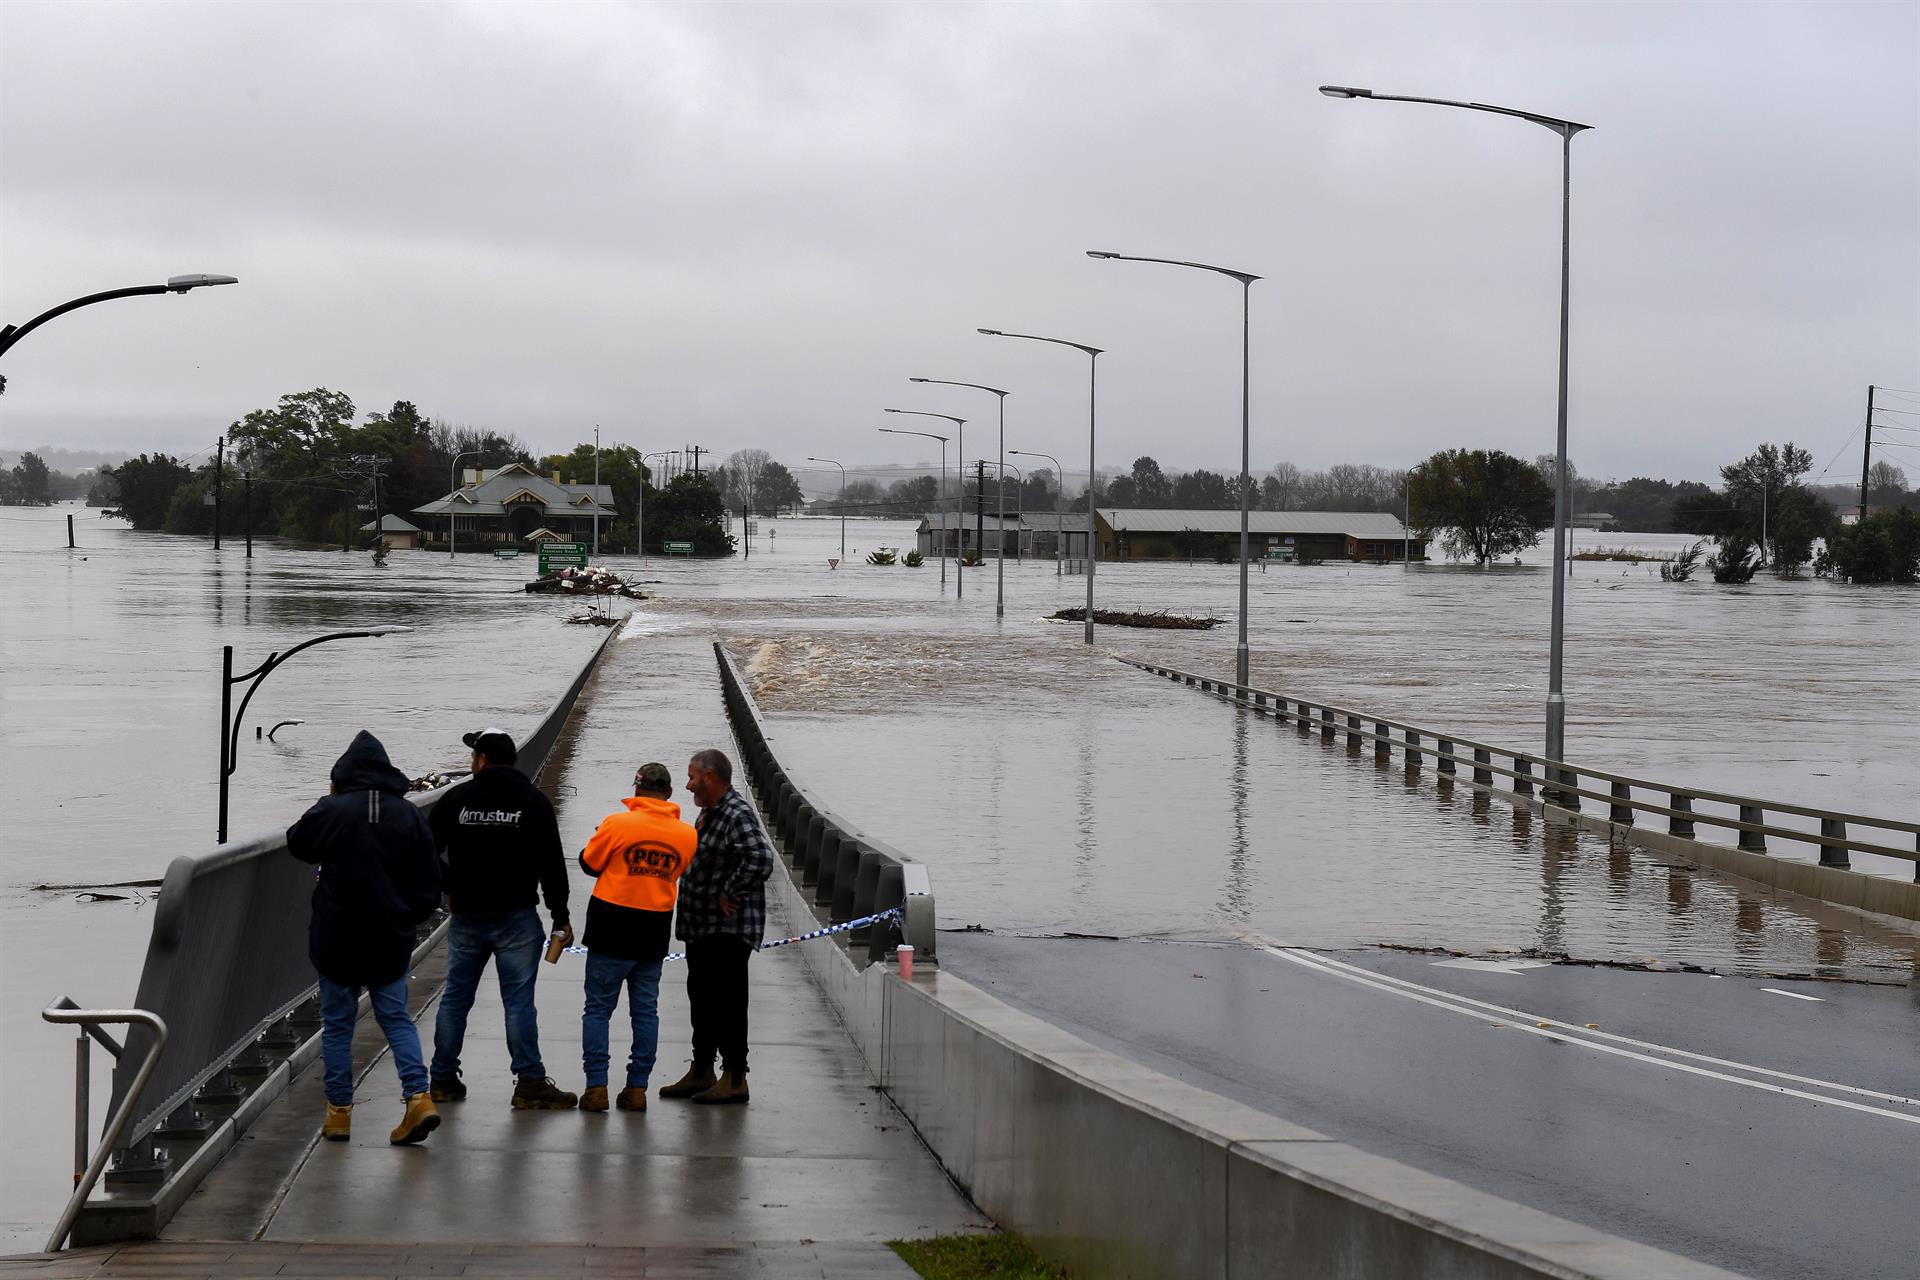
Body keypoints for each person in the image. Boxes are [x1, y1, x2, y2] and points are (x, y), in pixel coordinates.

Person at [287, 730, 443, 1146]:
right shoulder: (407, 814)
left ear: (343, 775)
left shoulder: (334, 810)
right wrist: (406, 918)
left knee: (337, 1025)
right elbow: (430, 883)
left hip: (337, 936)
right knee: (395, 1018)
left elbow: (297, 843)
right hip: (388, 938)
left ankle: (339, 1114)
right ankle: (417, 1098)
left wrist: (330, 802)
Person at [427, 727, 577, 1111]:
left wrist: (451, 884)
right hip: (516, 917)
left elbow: (424, 852)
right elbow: (551, 865)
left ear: (480, 760)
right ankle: (529, 1082)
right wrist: (560, 915)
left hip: (467, 916)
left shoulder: (456, 799)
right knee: (519, 1002)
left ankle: (442, 1079)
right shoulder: (532, 802)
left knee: (457, 999)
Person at [576, 762, 697, 1113]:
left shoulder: (617, 824)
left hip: (610, 927)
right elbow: (680, 870)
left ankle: (596, 1087)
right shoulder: (687, 835)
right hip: (653, 931)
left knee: (597, 1010)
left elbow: (589, 863)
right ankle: (637, 1088)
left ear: (637, 788)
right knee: (645, 1012)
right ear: (670, 793)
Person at [659, 748, 775, 1106]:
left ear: (710, 777)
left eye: (692, 776)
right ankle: (702, 1070)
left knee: (728, 1001)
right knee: (703, 998)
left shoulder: (735, 813)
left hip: (727, 929)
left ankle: (735, 1077)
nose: (688, 783)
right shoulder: (710, 813)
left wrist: (729, 890)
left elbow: (760, 857)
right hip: (704, 928)